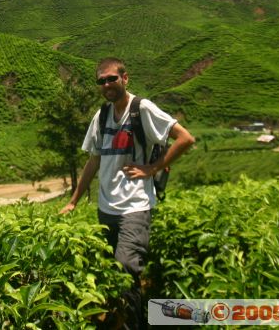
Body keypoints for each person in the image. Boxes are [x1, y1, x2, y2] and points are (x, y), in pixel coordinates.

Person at [59, 57, 195, 328]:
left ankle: (134, 324)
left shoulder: (141, 108)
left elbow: (185, 138)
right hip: (106, 208)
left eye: (112, 78)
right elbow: (93, 161)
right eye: (102, 80)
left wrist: (153, 167)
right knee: (115, 273)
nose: (107, 84)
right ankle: (124, 318)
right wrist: (73, 201)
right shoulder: (102, 115)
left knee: (125, 267)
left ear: (125, 78)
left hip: (135, 206)